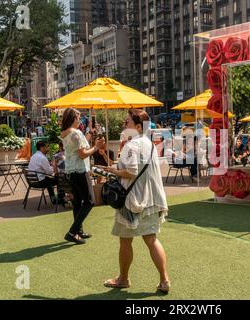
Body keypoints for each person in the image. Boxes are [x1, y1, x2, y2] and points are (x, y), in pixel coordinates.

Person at [102, 109, 170, 293]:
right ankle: (164, 280)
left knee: (125, 241)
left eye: (127, 123)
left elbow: (130, 172)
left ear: (138, 127)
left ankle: (123, 278)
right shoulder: (149, 144)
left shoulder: (131, 145)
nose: (124, 125)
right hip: (152, 200)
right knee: (151, 239)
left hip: (133, 202)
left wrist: (113, 171)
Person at [60, 108, 101, 244]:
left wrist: (89, 131)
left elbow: (78, 145)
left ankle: (79, 231)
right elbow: (82, 154)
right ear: (74, 118)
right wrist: (96, 147)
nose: (80, 120)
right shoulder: (76, 133)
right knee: (89, 201)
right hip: (79, 170)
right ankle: (73, 231)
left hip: (70, 171)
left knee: (77, 202)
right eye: (78, 118)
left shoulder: (65, 133)